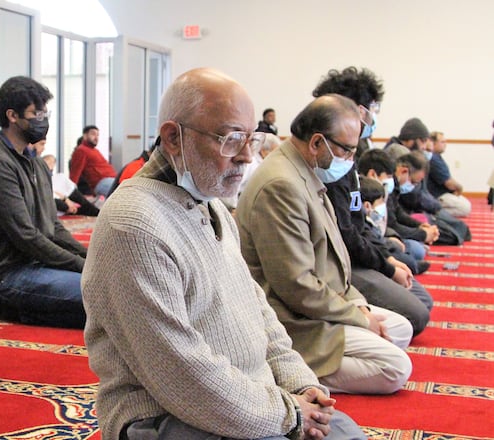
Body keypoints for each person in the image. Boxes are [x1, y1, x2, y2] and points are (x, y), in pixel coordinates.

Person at [83, 68, 365, 440]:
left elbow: (260, 313)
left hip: (253, 399)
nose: (247, 156)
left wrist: (299, 385)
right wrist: (287, 415)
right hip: (166, 417)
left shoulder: (211, 204)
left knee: (346, 433)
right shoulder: (133, 223)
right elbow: (181, 374)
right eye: (231, 140)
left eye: (252, 139)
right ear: (173, 138)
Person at [236, 94, 413, 395]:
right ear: (318, 142)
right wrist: (359, 317)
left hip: (322, 304)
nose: (351, 160)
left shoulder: (304, 171)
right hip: (293, 321)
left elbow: (336, 258)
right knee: (395, 367)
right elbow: (296, 286)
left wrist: (358, 306)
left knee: (401, 329)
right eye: (347, 150)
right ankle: (288, 373)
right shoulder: (281, 185)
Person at [311, 66, 432, 335]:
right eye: (370, 109)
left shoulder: (349, 155)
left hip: (357, 253)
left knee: (419, 295)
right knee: (417, 313)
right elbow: (344, 236)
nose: (373, 117)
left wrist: (387, 258)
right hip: (339, 264)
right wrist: (386, 265)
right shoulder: (327, 160)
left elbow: (359, 222)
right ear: (353, 110)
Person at [0, 76, 87, 329]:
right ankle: (15, 308)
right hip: (6, 276)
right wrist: (82, 267)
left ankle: (27, 308)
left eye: (45, 112)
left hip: (37, 266)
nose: (43, 119)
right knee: (104, 297)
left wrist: (90, 259)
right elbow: (26, 237)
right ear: (12, 115)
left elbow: (53, 227)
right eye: (37, 112)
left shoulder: (36, 163)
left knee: (109, 289)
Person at [357, 149, 430, 275]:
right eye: (389, 177)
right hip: (374, 242)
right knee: (413, 253)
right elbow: (366, 230)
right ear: (373, 174)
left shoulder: (383, 189)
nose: (391, 181)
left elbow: (393, 216)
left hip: (382, 237)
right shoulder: (366, 191)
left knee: (411, 248)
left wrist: (418, 228)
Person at [426, 131, 471, 217]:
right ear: (433, 143)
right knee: (465, 208)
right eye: (442, 142)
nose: (445, 144)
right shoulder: (433, 159)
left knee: (465, 204)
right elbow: (449, 183)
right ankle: (432, 212)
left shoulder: (436, 157)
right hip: (438, 195)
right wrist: (460, 188)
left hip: (441, 193)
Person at [69, 125, 117, 197]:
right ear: (85, 136)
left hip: (111, 180)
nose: (96, 137)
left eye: (97, 135)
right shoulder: (81, 150)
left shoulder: (95, 151)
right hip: (102, 182)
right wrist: (70, 192)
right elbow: (75, 173)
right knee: (124, 193)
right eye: (93, 134)